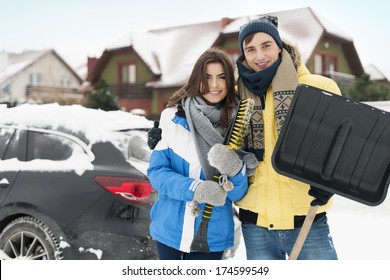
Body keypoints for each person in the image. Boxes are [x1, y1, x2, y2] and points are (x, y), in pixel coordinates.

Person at [234, 15, 339, 260]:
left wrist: (330, 182)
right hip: (256, 223)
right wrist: (168, 129)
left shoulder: (318, 87)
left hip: (307, 220)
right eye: (250, 49)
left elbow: (340, 146)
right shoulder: (238, 94)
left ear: (279, 46)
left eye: (266, 45)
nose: (259, 56)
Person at [147, 47, 257, 260]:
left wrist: (235, 170)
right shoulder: (172, 118)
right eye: (207, 77)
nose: (214, 85)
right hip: (169, 230)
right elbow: (156, 173)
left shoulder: (238, 126)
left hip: (210, 236)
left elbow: (237, 195)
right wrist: (195, 189)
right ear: (197, 80)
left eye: (221, 77)